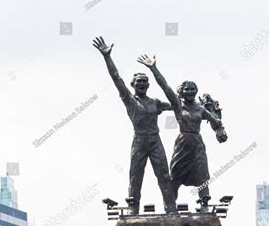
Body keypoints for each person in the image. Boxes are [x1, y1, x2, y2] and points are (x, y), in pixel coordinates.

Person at [93, 37, 177, 215]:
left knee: (164, 175)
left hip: (155, 141)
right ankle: (133, 209)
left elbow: (177, 104)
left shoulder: (155, 102)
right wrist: (107, 57)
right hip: (139, 141)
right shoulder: (129, 100)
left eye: (144, 82)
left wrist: (153, 68)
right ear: (133, 85)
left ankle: (171, 208)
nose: (141, 84)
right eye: (138, 81)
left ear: (148, 85)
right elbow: (116, 79)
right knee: (135, 177)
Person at [137, 54, 227, 212]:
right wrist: (153, 68)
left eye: (193, 89)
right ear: (181, 92)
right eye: (187, 89)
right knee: (175, 175)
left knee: (202, 173)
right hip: (183, 142)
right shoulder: (178, 105)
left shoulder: (200, 109)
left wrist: (219, 129)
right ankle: (170, 206)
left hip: (197, 144)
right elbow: (165, 87)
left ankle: (204, 203)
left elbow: (215, 121)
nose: (190, 91)